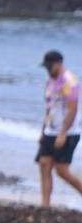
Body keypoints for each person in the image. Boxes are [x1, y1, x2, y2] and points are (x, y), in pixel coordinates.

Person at [38, 49, 81, 208]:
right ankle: (45, 205)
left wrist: (63, 133)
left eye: (50, 66)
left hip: (68, 131)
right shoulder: (50, 80)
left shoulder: (69, 81)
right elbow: (49, 107)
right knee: (44, 163)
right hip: (50, 130)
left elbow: (73, 109)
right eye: (46, 66)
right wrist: (43, 130)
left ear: (59, 64)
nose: (48, 69)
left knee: (62, 170)